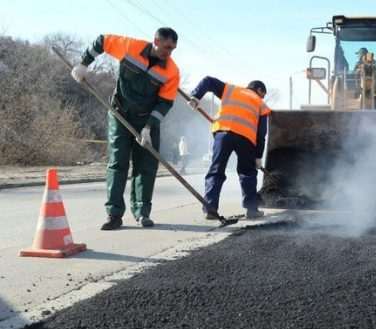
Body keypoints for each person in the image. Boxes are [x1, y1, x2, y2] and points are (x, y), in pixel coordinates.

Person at [71, 28, 180, 230]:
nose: (169, 53)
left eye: (173, 49)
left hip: (147, 121)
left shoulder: (171, 71)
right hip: (119, 114)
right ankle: (114, 215)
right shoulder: (131, 47)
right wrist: (83, 64)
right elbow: (102, 40)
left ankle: (142, 213)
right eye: (166, 47)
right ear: (156, 41)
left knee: (146, 167)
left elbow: (165, 103)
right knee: (117, 163)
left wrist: (148, 128)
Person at [188, 77, 270, 219]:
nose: (262, 97)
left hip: (223, 134)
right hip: (246, 138)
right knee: (247, 173)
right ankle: (252, 210)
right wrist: (258, 156)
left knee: (216, 171)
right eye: (263, 94)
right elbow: (261, 134)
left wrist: (196, 96)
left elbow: (208, 81)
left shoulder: (231, 90)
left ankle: (210, 209)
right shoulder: (261, 104)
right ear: (260, 90)